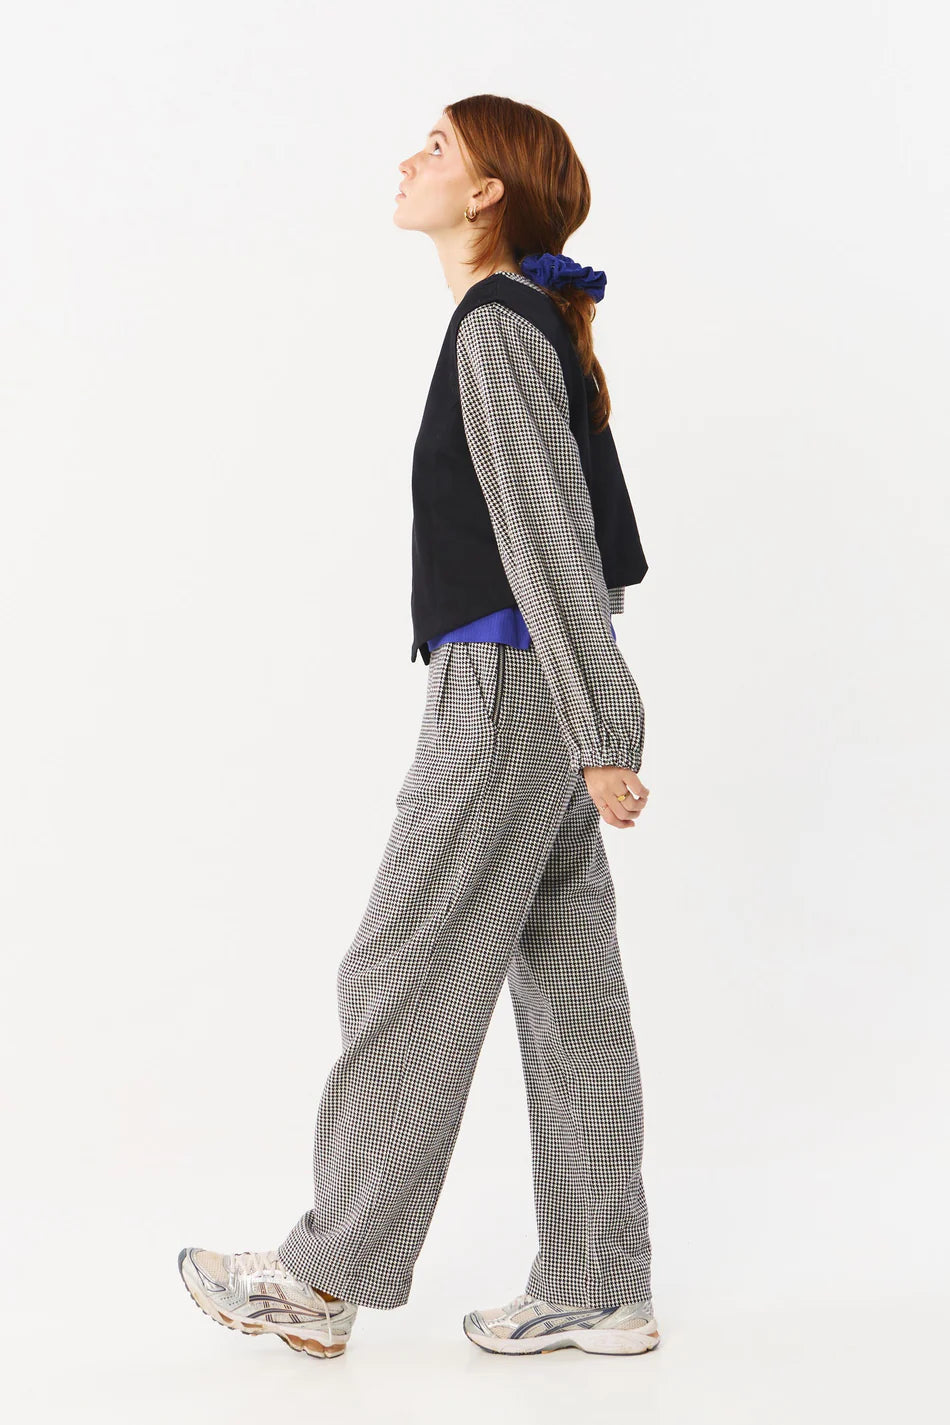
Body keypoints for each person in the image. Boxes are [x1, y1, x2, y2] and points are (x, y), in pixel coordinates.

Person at [179, 94, 660, 1361]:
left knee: (398, 968)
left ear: (488, 189)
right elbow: (576, 544)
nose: (408, 159)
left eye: (436, 145)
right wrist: (591, 722)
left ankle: (320, 1278)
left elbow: (546, 541)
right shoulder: (527, 320)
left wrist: (603, 728)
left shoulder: (497, 324)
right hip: (540, 695)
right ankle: (600, 1286)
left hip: (507, 695)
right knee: (567, 990)